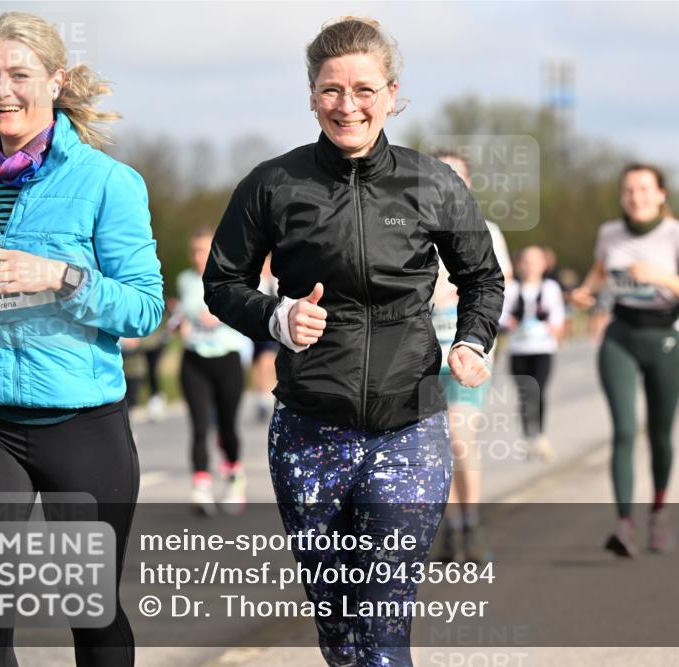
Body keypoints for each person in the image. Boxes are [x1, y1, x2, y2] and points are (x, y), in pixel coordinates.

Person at [202, 17, 503, 667]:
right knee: (340, 630)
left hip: (409, 427)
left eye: (364, 89)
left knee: (384, 624)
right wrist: (277, 317)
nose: (348, 104)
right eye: (331, 90)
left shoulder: (432, 184)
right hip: (310, 433)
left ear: (392, 94)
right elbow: (221, 281)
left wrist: (474, 344)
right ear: (312, 97)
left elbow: (483, 277)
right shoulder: (273, 184)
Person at [0, 12, 163, 666]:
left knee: (86, 612)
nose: (2, 89)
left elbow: (145, 307)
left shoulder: (107, 183)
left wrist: (61, 276)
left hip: (82, 426)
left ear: (55, 80)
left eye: (19, 74)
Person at [571, 163, 679, 558]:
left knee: (661, 434)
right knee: (624, 431)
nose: (637, 196)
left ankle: (660, 512)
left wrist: (660, 277)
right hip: (620, 336)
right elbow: (599, 275)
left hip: (665, 338)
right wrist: (585, 292)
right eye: (630, 190)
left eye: (645, 189)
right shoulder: (609, 233)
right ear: (622, 195)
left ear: (661, 194)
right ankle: (624, 525)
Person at [429, 148, 512, 566]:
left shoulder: (487, 231)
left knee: (460, 441)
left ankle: (472, 526)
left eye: (456, 177)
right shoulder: (412, 227)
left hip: (467, 354)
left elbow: (497, 285)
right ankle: (447, 529)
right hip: (422, 356)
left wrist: (458, 291)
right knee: (432, 449)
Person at [173, 226, 249, 516]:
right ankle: (201, 487)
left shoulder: (233, 277)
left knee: (227, 427)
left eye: (203, 251)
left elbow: (247, 316)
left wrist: (220, 316)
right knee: (199, 426)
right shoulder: (185, 280)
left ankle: (234, 478)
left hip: (227, 359)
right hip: (194, 360)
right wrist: (182, 325)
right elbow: (181, 315)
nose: (197, 257)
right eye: (194, 251)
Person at [500, 246, 566, 461]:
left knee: (538, 391)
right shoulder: (510, 289)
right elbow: (499, 315)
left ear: (543, 264)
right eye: (525, 261)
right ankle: (528, 438)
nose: (529, 266)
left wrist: (554, 326)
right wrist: (508, 322)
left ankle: (541, 437)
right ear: (519, 264)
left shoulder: (550, 288)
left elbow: (558, 314)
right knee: (525, 395)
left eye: (534, 261)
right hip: (519, 350)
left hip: (542, 349)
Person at [251, 253, 280, 421]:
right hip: (260, 328)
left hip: (274, 329)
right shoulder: (258, 282)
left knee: (267, 360)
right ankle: (261, 396)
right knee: (259, 363)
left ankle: (266, 395)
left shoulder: (276, 281)